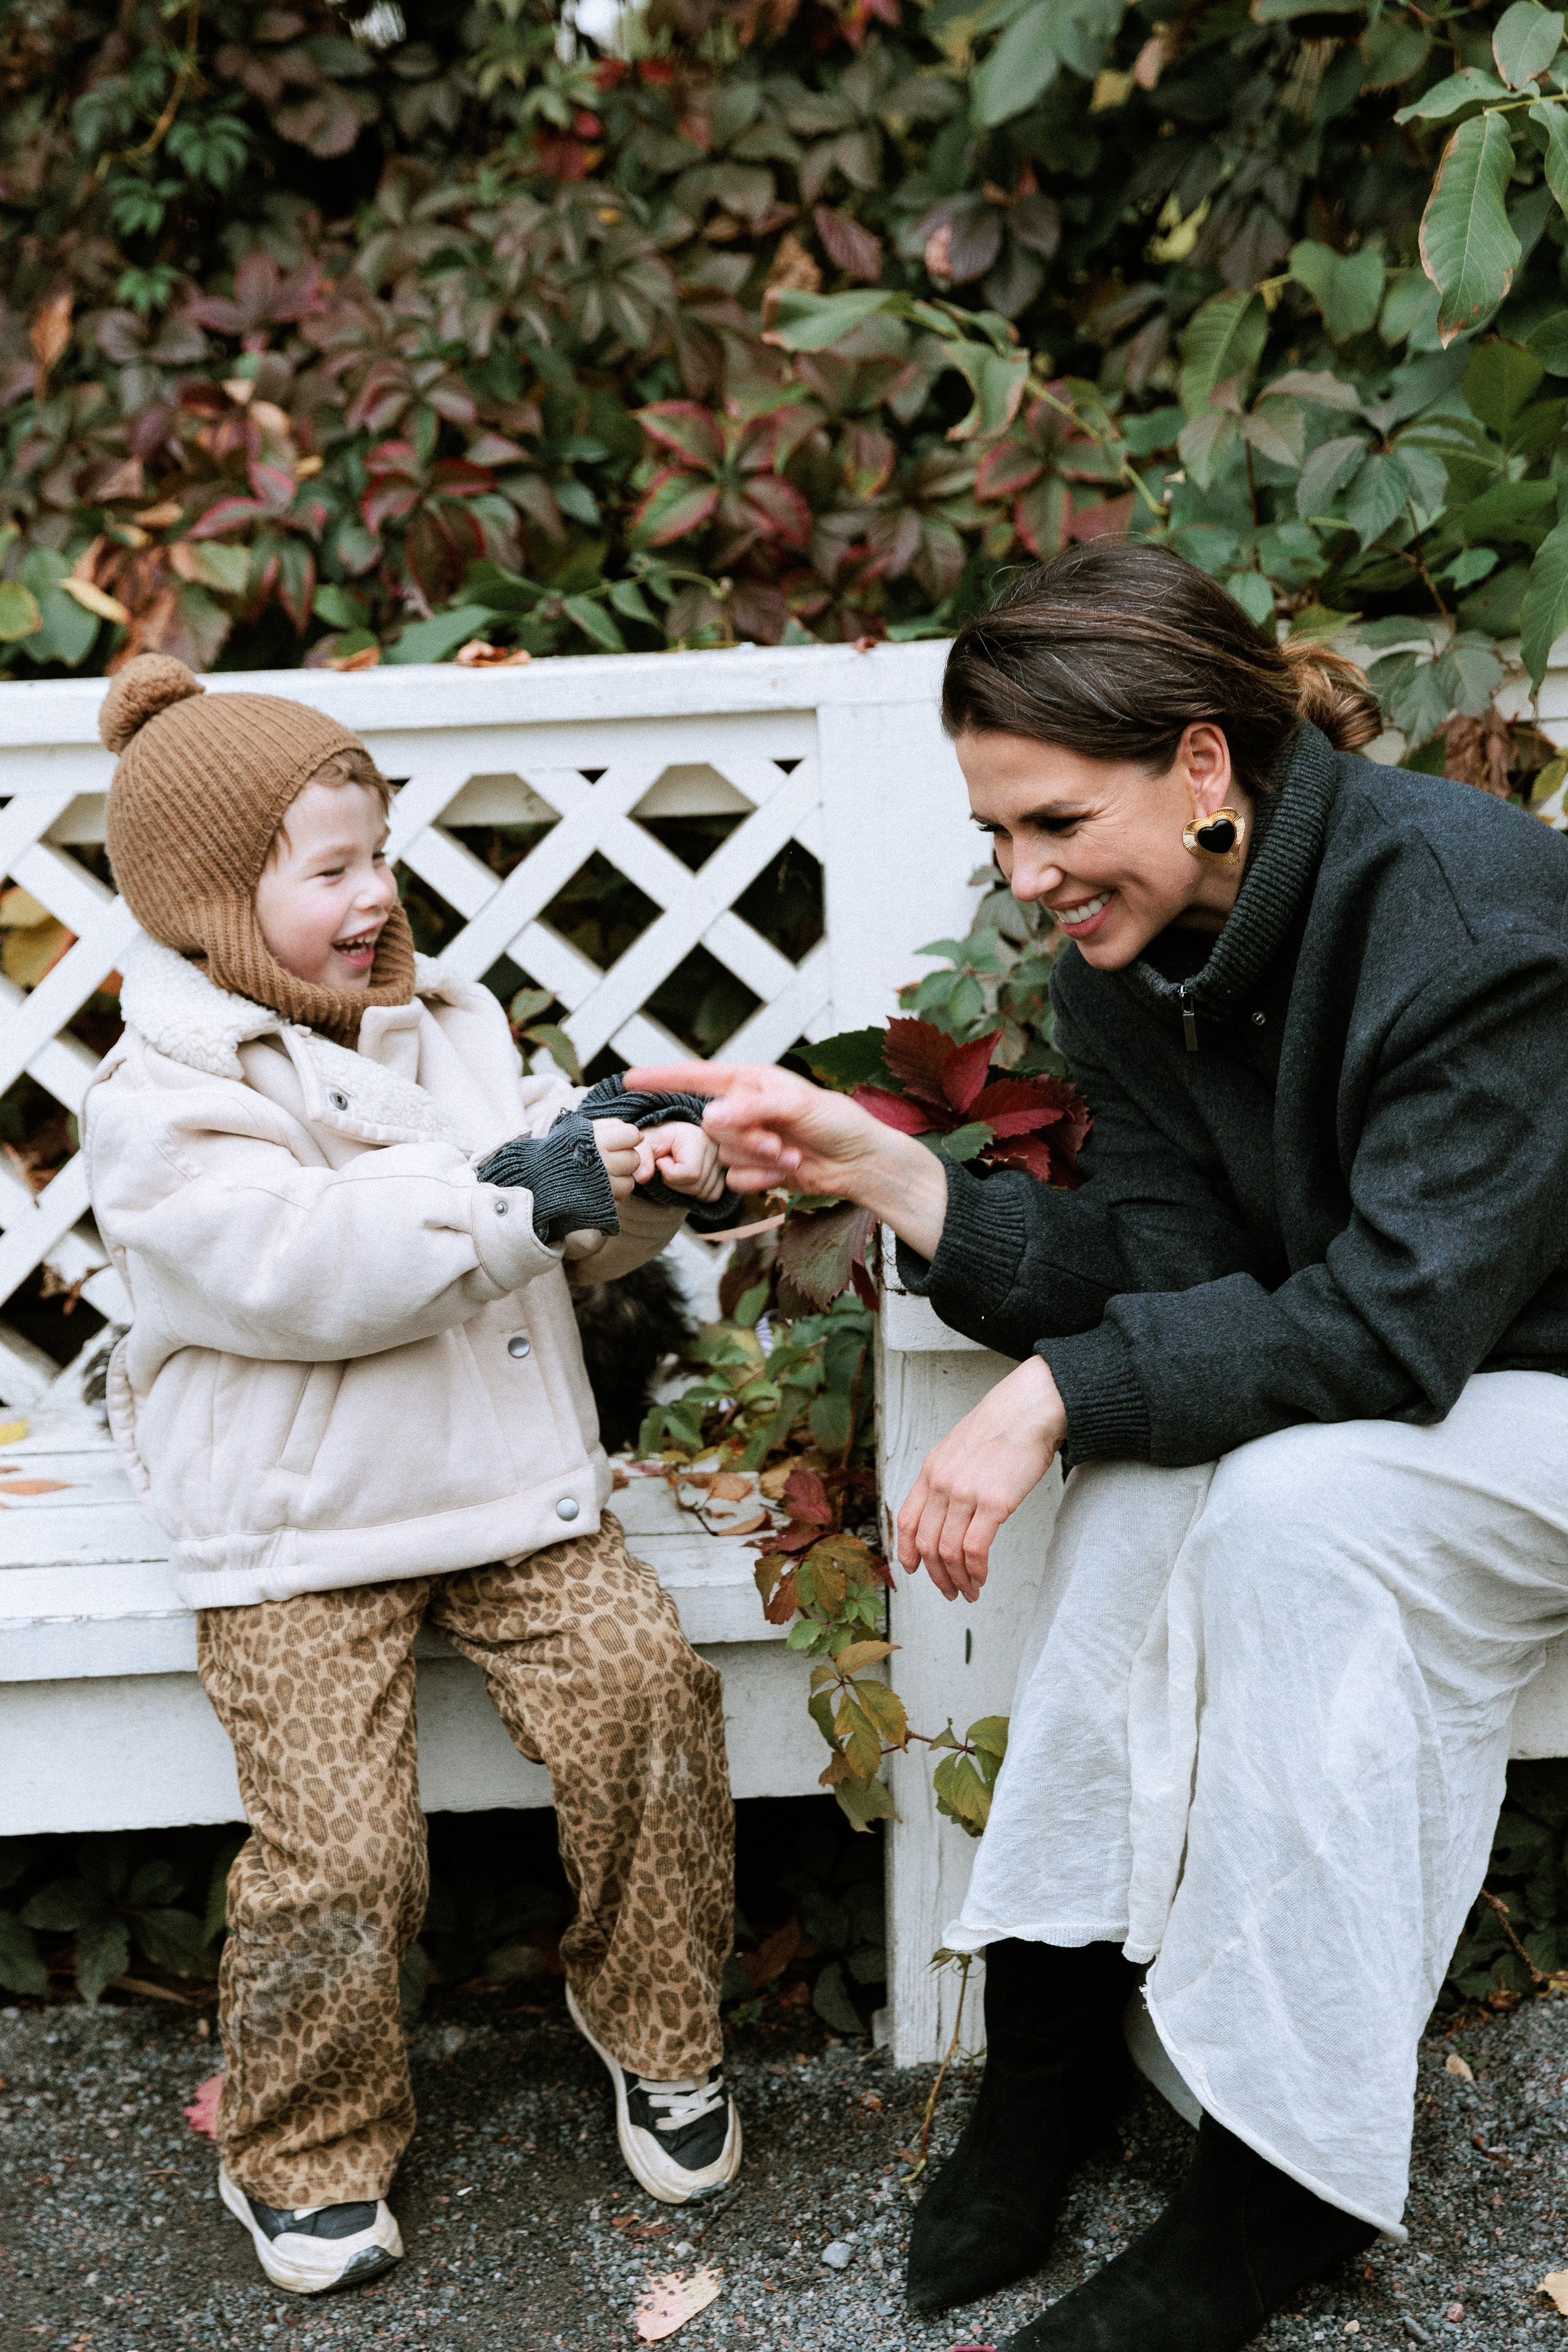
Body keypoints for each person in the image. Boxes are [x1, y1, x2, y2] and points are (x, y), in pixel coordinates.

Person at [628, 539, 1568, 2352]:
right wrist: (892, 1173)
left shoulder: (1477, 920)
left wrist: (1054, 1394)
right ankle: (1050, 2060)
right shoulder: (1135, 957)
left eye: (1052, 821)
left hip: (1531, 1383)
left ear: (1204, 766)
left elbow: (1393, 1319)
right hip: (1418, 1389)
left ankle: (1282, 2178)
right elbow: (1173, 1277)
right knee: (1149, 1481)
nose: (1023, 877)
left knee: (1287, 1501)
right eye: (995, 836)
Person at [83, 655, 744, 2298]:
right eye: (330, 869)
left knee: (646, 1693)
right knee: (341, 1854)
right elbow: (301, 1265)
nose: (375, 895)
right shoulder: (167, 1092)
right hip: (297, 1524)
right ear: (221, 902)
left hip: (505, 1489)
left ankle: (653, 2019)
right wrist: (523, 1193)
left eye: (380, 855)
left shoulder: (450, 1027)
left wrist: (648, 1176)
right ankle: (303, 2149)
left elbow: (546, 1230)